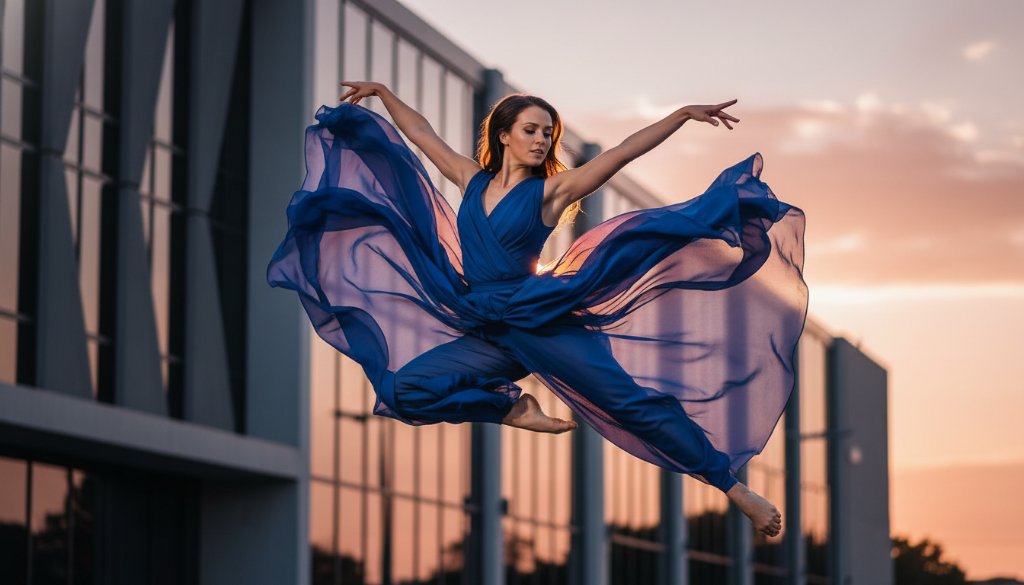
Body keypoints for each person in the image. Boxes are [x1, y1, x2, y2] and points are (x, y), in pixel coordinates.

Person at [268, 80, 809, 538]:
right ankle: (511, 410)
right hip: (485, 326)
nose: (541, 138)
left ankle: (734, 488)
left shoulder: (551, 192)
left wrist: (680, 116)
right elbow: (421, 135)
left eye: (547, 132)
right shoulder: (468, 179)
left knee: (631, 405)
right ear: (503, 134)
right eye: (531, 129)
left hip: (539, 320)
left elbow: (620, 154)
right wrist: (384, 94)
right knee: (402, 390)